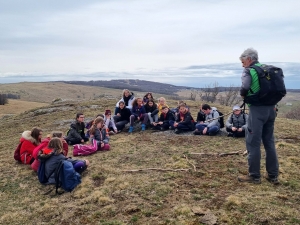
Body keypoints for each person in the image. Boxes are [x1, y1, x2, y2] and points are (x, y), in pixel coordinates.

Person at [237, 48, 279, 185]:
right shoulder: (268, 69)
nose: (243, 65)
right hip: (271, 110)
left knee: (253, 143)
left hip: (257, 110)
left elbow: (245, 87)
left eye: (243, 61)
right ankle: (273, 175)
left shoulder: (249, 70)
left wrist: (243, 95)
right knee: (269, 142)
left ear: (249, 59)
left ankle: (254, 176)